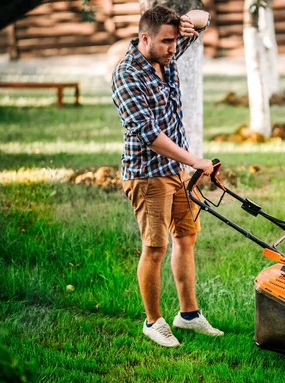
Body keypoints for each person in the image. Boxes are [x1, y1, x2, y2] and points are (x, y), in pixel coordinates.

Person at [111, 5, 222, 348]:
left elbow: (204, 18)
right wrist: (195, 160)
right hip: (147, 174)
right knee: (155, 247)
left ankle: (188, 315)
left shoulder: (166, 52)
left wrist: (189, 20)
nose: (174, 48)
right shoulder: (127, 75)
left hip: (178, 171)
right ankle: (153, 321)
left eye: (176, 40)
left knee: (186, 237)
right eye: (167, 41)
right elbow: (148, 133)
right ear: (144, 38)